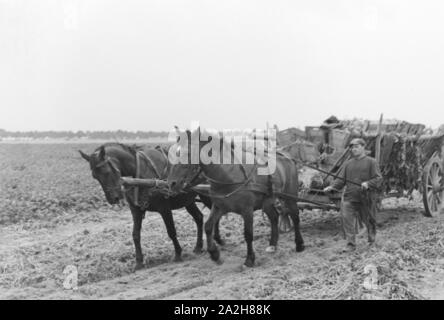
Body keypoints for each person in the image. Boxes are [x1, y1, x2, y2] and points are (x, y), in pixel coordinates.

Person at [324, 138, 382, 252]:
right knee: (347, 220)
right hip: (350, 197)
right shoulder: (348, 164)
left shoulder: (371, 162)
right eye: (352, 147)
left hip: (365, 198)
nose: (353, 149)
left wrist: (368, 183)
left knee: (369, 220)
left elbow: (378, 178)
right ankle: (351, 245)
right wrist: (332, 187)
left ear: (363, 147)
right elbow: (341, 181)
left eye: (356, 147)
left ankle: (372, 240)